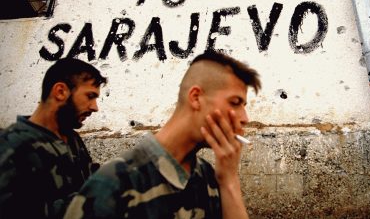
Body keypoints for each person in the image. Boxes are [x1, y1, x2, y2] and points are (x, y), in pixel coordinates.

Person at [64, 51, 261, 219]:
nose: (244, 118)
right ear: (196, 98)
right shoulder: (115, 183)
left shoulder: (207, 176)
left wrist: (229, 181)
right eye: (235, 102)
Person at [0, 58, 107, 218]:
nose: (94, 107)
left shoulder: (72, 138)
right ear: (60, 91)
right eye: (90, 96)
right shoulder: (12, 146)